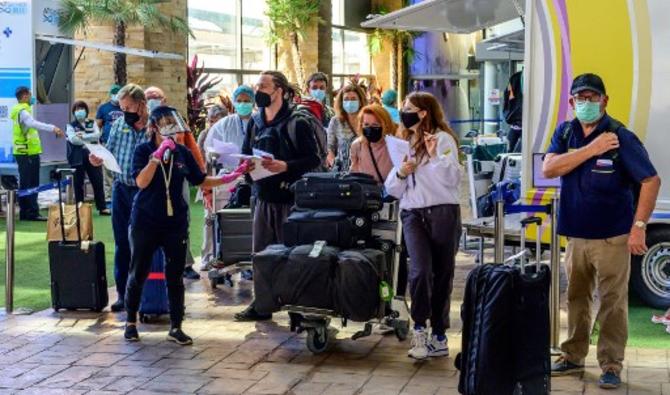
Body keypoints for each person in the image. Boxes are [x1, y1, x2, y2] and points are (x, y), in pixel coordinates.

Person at [543, 73, 660, 389]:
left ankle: (610, 364)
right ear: (571, 102)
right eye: (580, 98)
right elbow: (549, 168)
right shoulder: (566, 132)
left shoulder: (621, 136)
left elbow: (651, 181)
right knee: (577, 299)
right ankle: (573, 356)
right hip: (577, 236)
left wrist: (638, 227)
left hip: (613, 237)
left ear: (604, 101)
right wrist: (592, 149)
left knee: (612, 302)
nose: (586, 103)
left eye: (592, 98)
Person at [123, 105, 249, 345]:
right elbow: (141, 182)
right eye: (166, 126)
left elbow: (200, 179)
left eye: (174, 126)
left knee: (175, 274)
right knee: (138, 270)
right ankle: (130, 322)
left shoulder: (182, 152)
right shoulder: (143, 150)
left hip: (175, 221)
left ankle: (176, 326)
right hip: (146, 220)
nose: (172, 133)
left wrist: (230, 177)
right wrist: (156, 156)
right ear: (153, 128)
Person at [234, 71, 320, 321]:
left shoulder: (297, 121)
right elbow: (245, 153)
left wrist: (285, 166)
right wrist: (246, 167)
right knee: (261, 253)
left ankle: (296, 306)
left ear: (279, 90)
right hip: (262, 197)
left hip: (290, 200)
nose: (257, 91)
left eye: (263, 86)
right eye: (256, 86)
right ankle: (262, 304)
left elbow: (312, 159)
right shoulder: (255, 121)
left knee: (292, 254)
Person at [385, 91, 462, 360]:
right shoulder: (402, 142)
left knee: (442, 273)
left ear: (423, 112)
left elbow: (453, 179)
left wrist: (435, 156)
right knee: (419, 271)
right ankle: (419, 328)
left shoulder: (443, 139)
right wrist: (401, 172)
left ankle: (439, 334)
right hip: (412, 214)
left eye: (408, 108)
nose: (404, 112)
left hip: (443, 212)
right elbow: (392, 189)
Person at [90, 83, 150, 312]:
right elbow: (108, 151)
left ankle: (145, 293)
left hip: (146, 192)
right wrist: (98, 158)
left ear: (142, 105)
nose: (125, 112)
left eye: (129, 107)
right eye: (122, 107)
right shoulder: (118, 125)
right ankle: (123, 294)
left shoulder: (154, 128)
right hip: (121, 189)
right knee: (122, 243)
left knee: (144, 243)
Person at [142, 86, 204, 280]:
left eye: (156, 97)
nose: (153, 99)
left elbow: (191, 146)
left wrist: (200, 172)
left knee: (182, 218)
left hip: (177, 176)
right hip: (152, 181)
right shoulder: (143, 122)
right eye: (149, 97)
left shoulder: (175, 119)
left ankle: (185, 264)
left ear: (164, 98)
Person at [9, 86, 64, 221]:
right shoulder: (23, 112)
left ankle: (26, 212)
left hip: (24, 152)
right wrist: (53, 128)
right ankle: (32, 213)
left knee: (26, 183)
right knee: (31, 183)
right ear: (24, 96)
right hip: (27, 153)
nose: (32, 98)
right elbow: (33, 124)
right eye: (30, 95)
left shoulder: (19, 111)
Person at [65, 100, 109, 215]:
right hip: (76, 157)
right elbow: (73, 140)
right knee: (78, 183)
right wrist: (89, 138)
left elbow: (97, 135)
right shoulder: (70, 125)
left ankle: (102, 207)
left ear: (86, 110)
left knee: (97, 181)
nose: (80, 111)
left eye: (82, 109)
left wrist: (83, 136)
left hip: (93, 155)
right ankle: (80, 207)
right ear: (74, 112)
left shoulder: (91, 122)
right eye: (77, 109)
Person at [350, 104, 394, 183]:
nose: (370, 129)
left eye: (375, 125)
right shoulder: (357, 145)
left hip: (390, 192)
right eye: (366, 125)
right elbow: (354, 172)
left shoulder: (393, 145)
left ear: (385, 125)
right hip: (367, 191)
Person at [96, 84, 124, 203]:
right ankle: (108, 198)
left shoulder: (124, 107)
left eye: (118, 93)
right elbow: (98, 125)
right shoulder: (104, 108)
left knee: (120, 169)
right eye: (114, 93)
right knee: (107, 171)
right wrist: (97, 142)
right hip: (106, 143)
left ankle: (121, 196)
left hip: (122, 144)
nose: (116, 96)